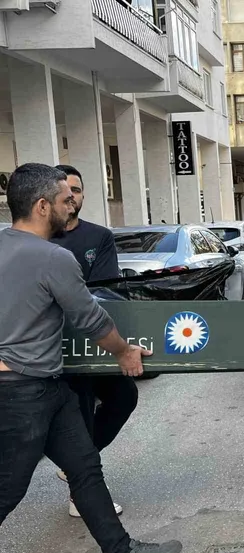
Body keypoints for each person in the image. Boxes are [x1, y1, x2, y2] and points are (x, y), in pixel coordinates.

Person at [0, 164, 181, 553]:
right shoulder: (53, 258)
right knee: (8, 486)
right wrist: (124, 351)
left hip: (47, 387)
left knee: (84, 467)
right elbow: (90, 319)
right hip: (20, 391)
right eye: (65, 200)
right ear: (42, 206)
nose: (72, 206)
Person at [50, 164, 137, 519]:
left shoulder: (99, 236)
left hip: (92, 339)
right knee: (79, 408)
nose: (72, 197)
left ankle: (77, 464)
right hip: (51, 347)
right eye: (66, 191)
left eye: (77, 190)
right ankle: (82, 492)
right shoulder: (38, 240)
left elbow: (104, 291)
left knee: (124, 396)